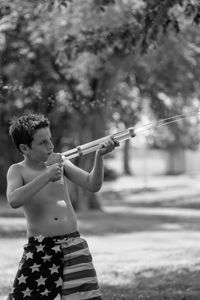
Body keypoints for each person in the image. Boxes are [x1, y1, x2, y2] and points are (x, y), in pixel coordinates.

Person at [6, 113, 119, 300]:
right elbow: (14, 199)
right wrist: (46, 176)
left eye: (50, 140)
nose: (50, 146)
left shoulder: (62, 162)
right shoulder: (17, 170)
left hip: (73, 244)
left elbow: (92, 184)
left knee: (84, 297)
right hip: (41, 248)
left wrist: (99, 156)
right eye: (42, 143)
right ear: (24, 148)